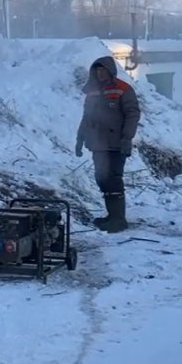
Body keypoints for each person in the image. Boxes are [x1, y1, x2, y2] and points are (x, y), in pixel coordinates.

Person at [75, 56, 141, 233]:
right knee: (102, 178)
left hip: (117, 144)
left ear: (111, 70)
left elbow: (132, 114)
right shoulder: (92, 92)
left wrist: (127, 138)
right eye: (97, 71)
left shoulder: (123, 89)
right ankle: (112, 215)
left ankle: (119, 219)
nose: (100, 74)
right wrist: (80, 139)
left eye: (103, 70)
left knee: (113, 179)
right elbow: (86, 117)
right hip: (97, 144)